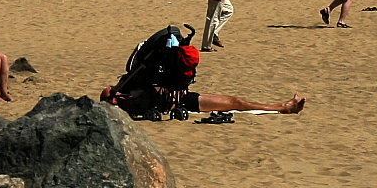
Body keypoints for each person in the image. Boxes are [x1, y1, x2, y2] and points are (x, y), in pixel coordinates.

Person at [100, 86, 305, 116]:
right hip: (187, 103)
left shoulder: (132, 91)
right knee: (236, 102)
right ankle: (284, 108)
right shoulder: (129, 105)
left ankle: (284, 106)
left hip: (186, 97)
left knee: (235, 101)